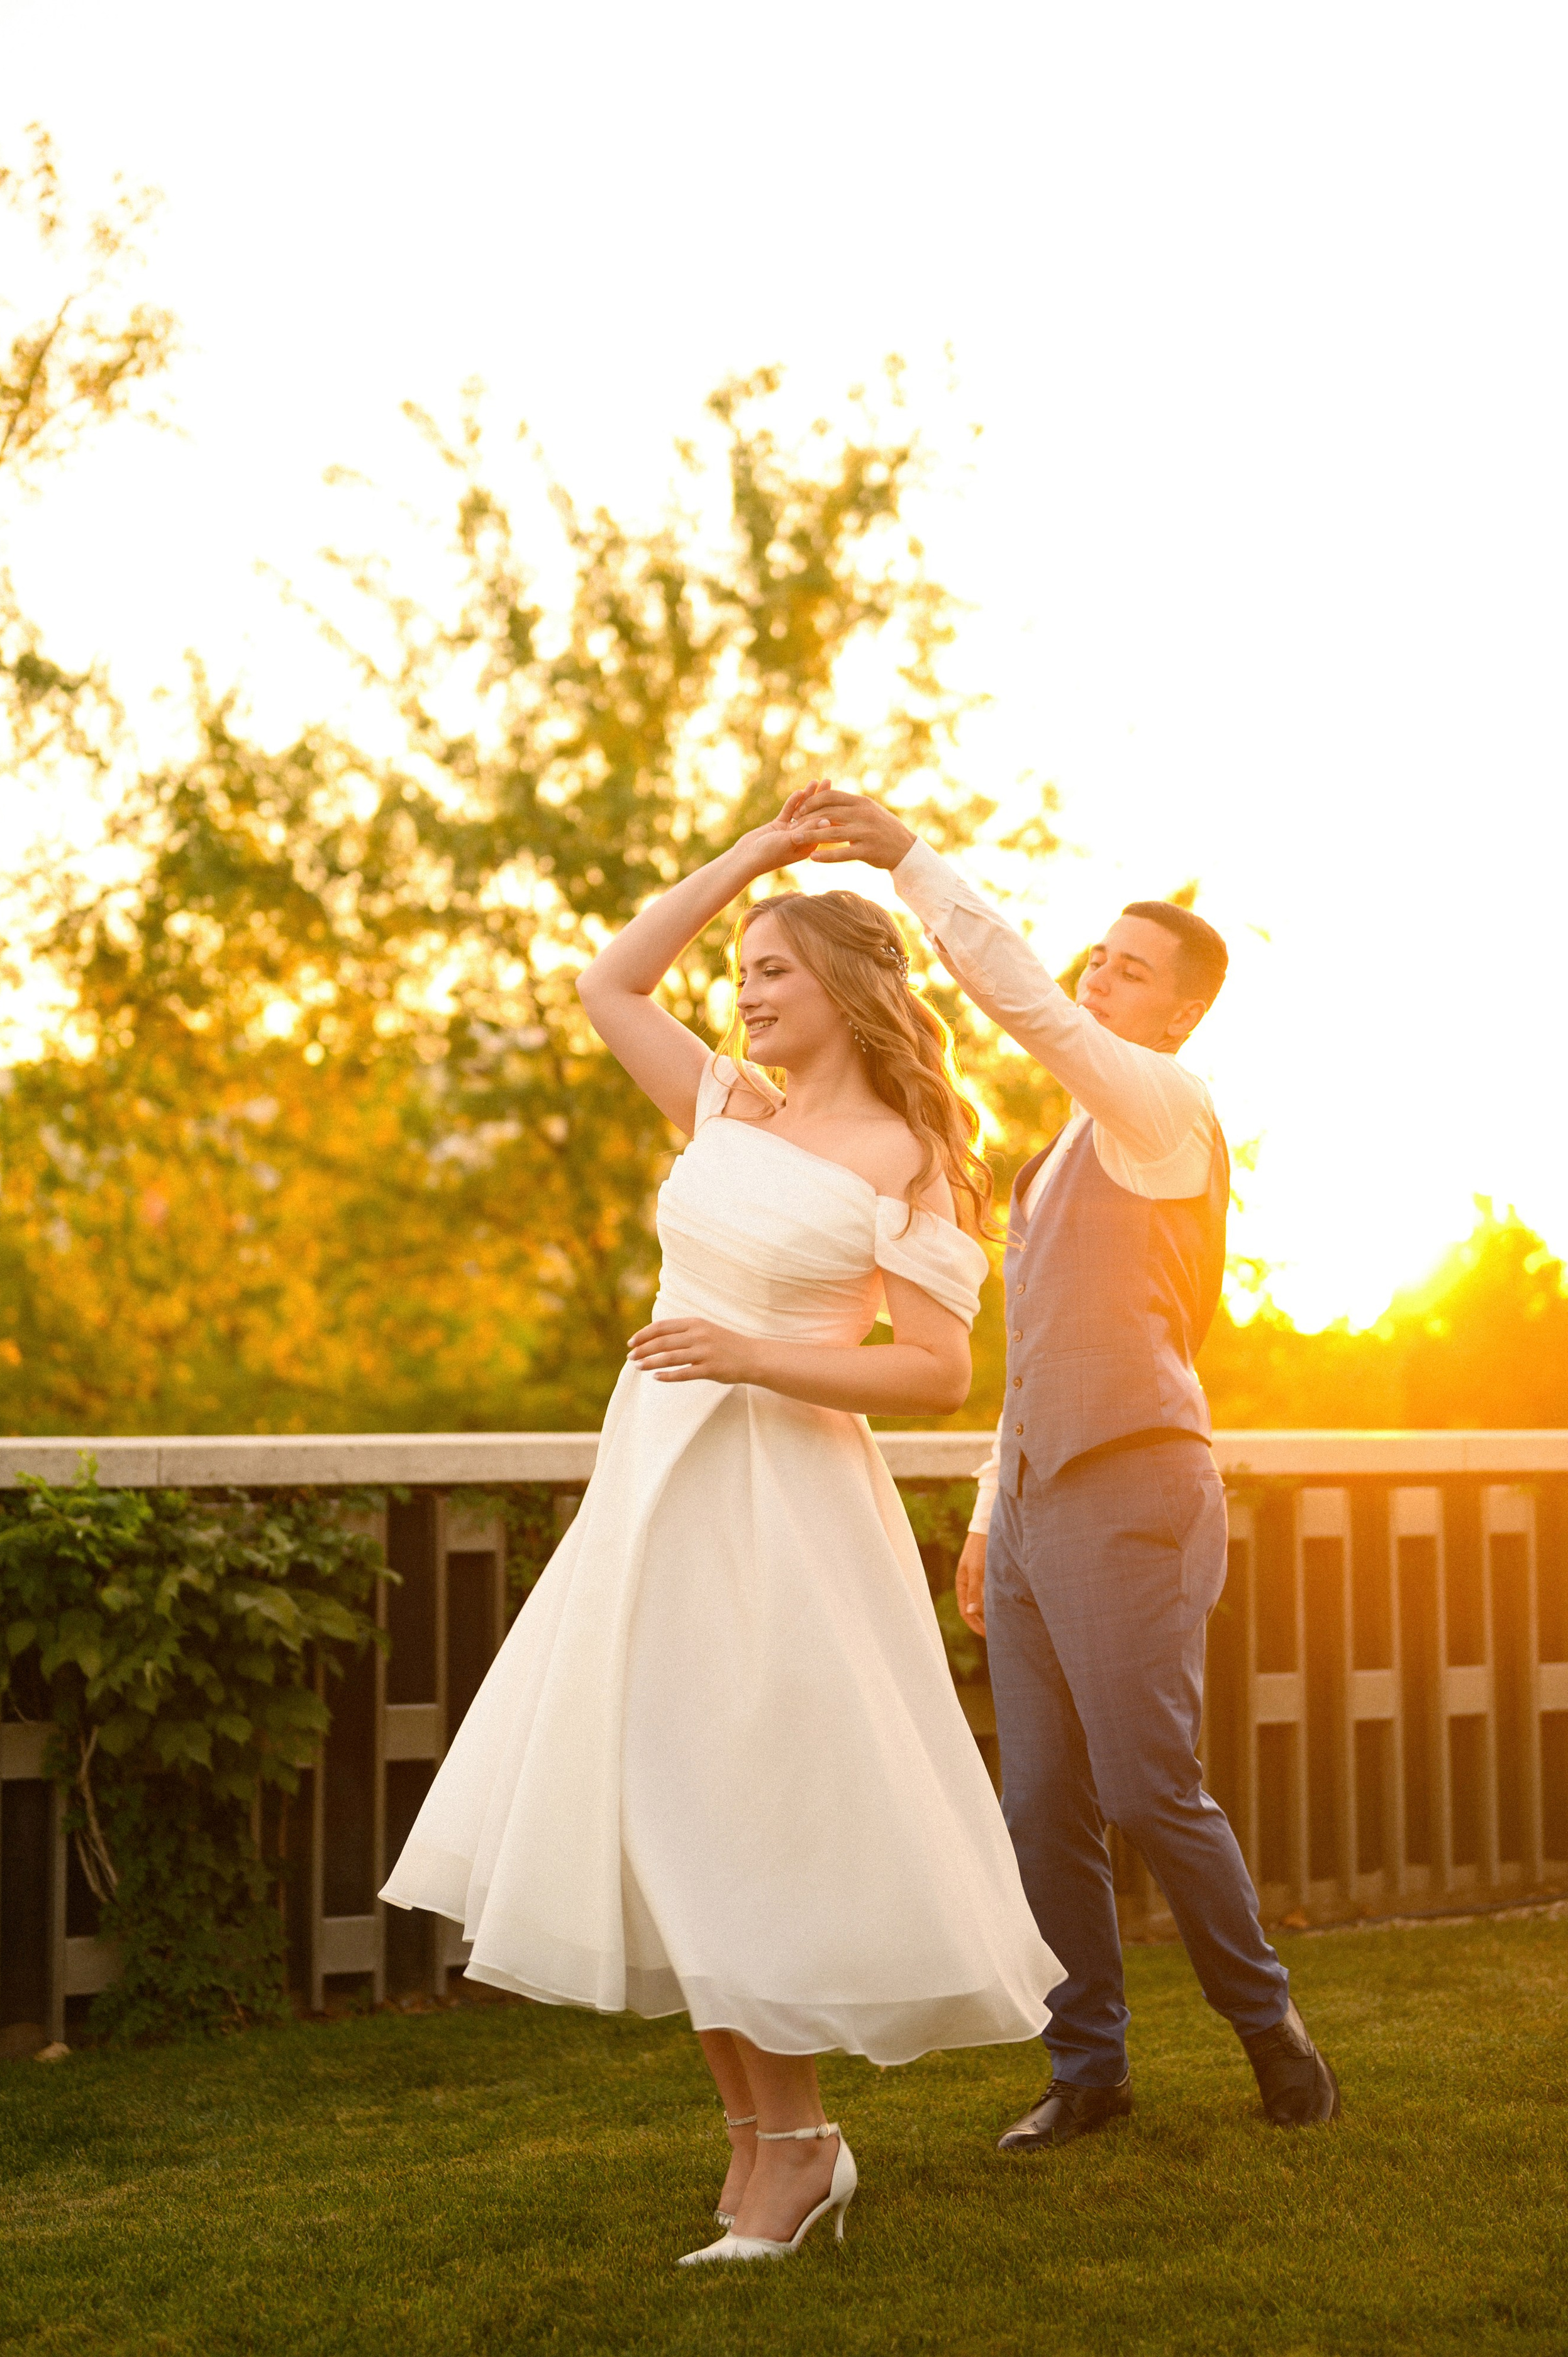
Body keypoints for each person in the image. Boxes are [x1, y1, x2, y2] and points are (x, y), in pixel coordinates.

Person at [379, 798, 1064, 2264]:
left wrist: (749, 1354)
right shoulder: (719, 1102)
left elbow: (936, 1373)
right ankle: (763, 2138)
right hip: (654, 1488)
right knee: (661, 1799)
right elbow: (606, 980)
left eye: (774, 970)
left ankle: (800, 2140)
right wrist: (755, 858)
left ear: (851, 989)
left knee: (744, 1805)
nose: (745, 990)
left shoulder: (912, 1153)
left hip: (786, 1504)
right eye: (744, 967)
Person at [785, 782, 1340, 2145]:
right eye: (1097, 953)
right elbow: (1027, 1357)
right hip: (1033, 1507)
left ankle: (1269, 2029)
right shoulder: (1050, 1166)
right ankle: (1086, 2067)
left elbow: (1020, 999)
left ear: (1178, 1014)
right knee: (1037, 1801)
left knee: (1148, 1783)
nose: (1098, 975)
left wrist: (907, 858)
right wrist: (987, 1514)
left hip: (1136, 1485)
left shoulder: (1160, 1113)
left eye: (1129, 970)